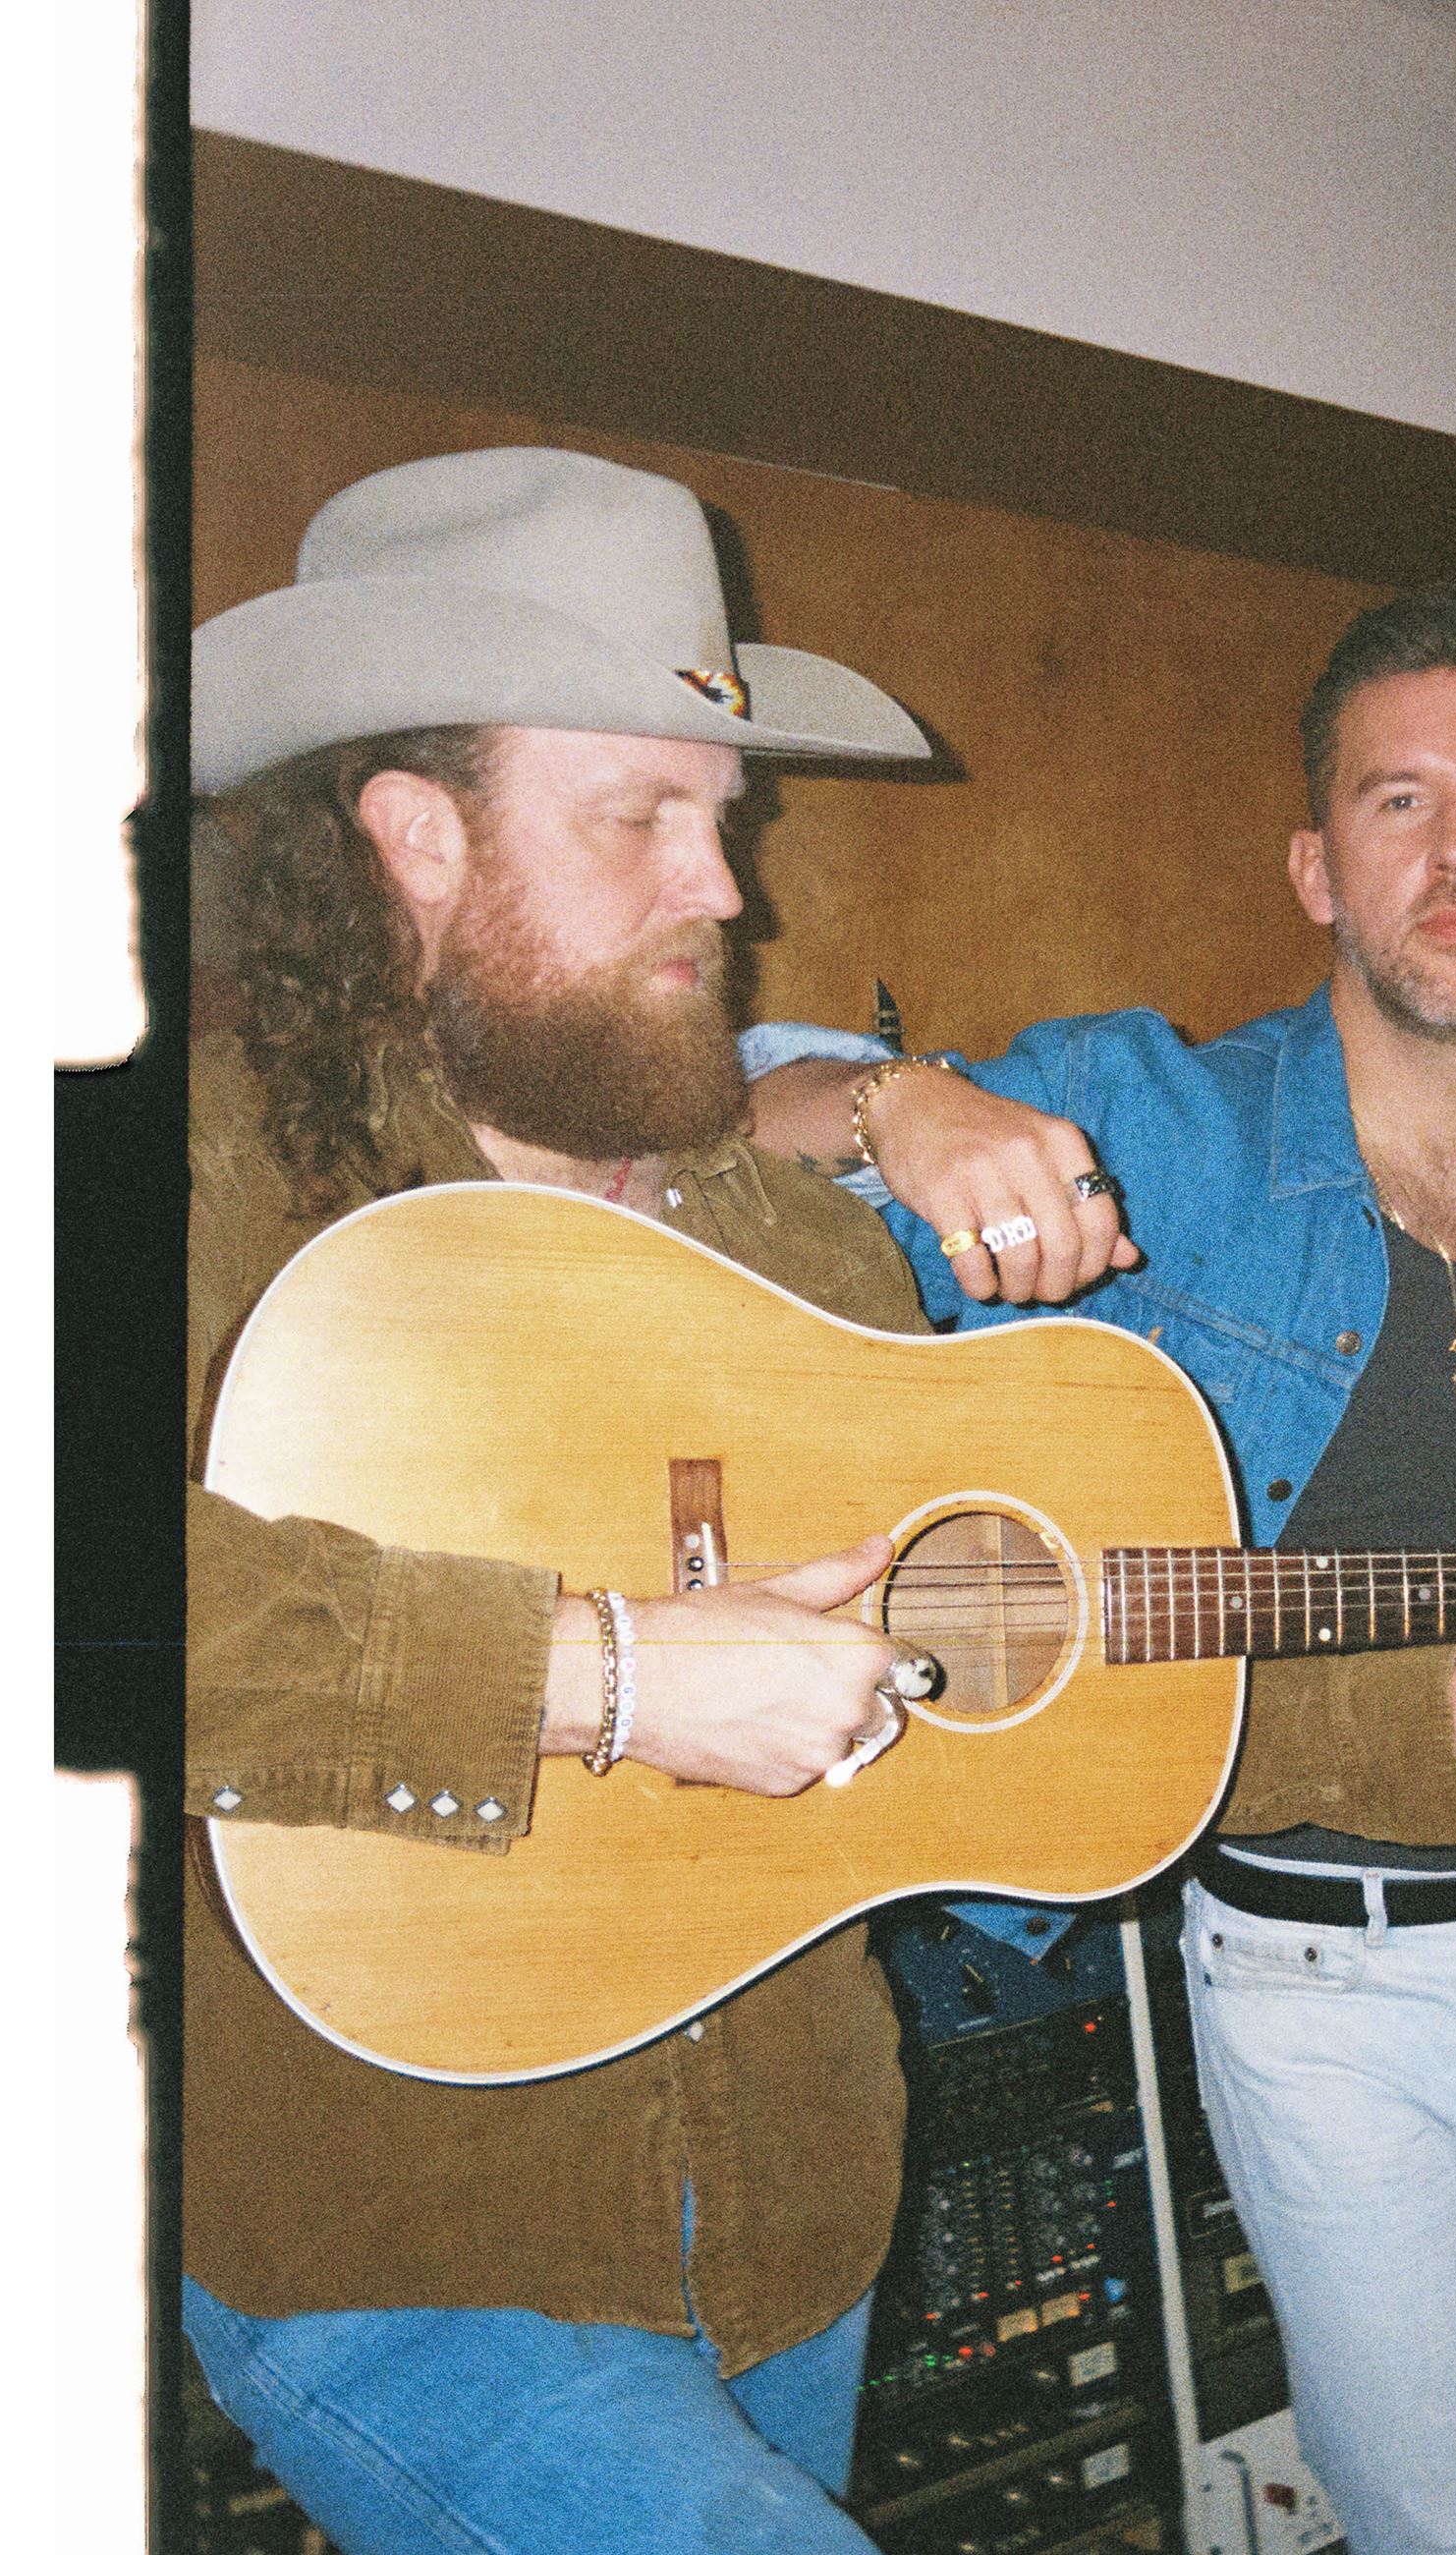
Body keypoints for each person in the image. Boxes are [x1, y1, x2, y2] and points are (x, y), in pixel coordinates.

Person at [745, 583, 1456, 2555]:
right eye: (1395, 800)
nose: (1451, 854)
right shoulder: (1157, 1128)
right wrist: (893, 1099)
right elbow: (712, 1159)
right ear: (1314, 865)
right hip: (1323, 1971)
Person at [181, 445, 961, 2555]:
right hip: (395, 2236)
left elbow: (1012, 1639)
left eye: (723, 818)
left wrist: (1434, 1697)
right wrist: (601, 1672)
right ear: (414, 843)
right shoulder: (176, 1179)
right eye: (639, 818)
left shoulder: (817, 1258)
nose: (728, 889)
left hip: (789, 2230)